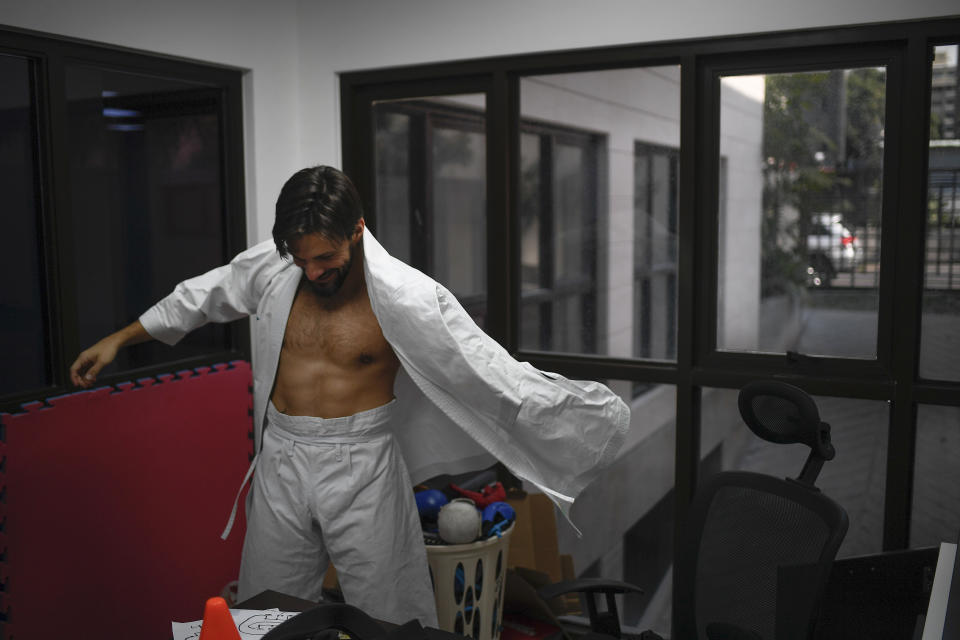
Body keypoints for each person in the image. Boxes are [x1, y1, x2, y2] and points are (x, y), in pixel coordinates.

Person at [69, 166, 630, 627]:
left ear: (357, 229)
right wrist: (121, 338)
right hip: (282, 458)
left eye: (325, 259)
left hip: (364, 461)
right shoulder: (272, 267)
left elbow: (487, 368)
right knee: (267, 609)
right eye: (301, 258)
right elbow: (202, 296)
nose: (312, 271)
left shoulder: (407, 297)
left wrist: (581, 420)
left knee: (390, 612)